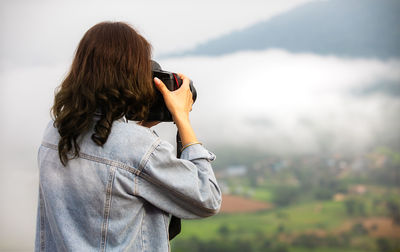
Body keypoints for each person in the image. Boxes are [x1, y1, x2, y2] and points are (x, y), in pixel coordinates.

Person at [35, 21, 221, 252]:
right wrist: (182, 117)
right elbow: (207, 198)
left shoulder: (55, 133)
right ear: (131, 75)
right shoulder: (137, 147)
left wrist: (139, 125)